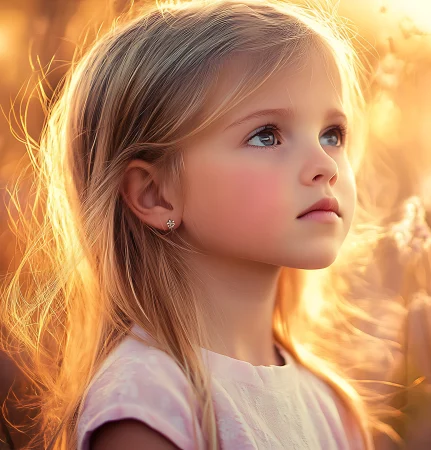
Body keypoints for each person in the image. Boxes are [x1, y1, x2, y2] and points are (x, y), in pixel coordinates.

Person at [0, 1, 401, 448]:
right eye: (266, 135)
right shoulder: (149, 406)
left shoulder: (331, 406)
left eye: (333, 134)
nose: (325, 164)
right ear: (155, 193)